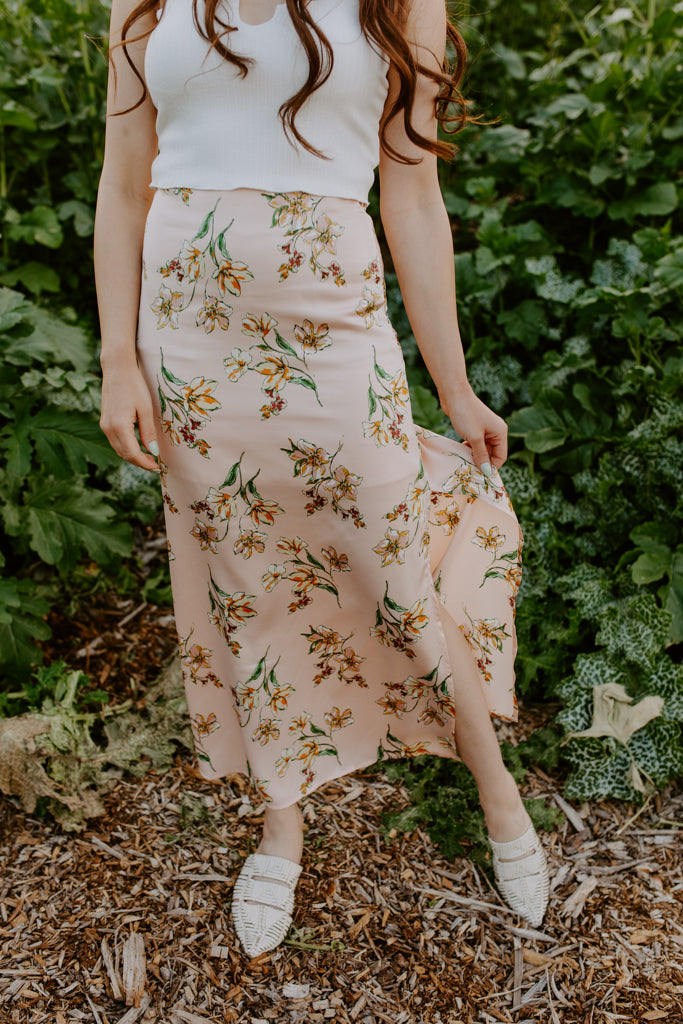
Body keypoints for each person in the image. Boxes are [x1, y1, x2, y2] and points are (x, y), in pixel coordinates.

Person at [94, 0, 550, 957]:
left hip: (334, 325)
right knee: (244, 586)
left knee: (398, 576)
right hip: (188, 346)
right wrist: (117, 362)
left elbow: (411, 194)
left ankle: (497, 795)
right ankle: (282, 823)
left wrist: (453, 387)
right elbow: (125, 180)